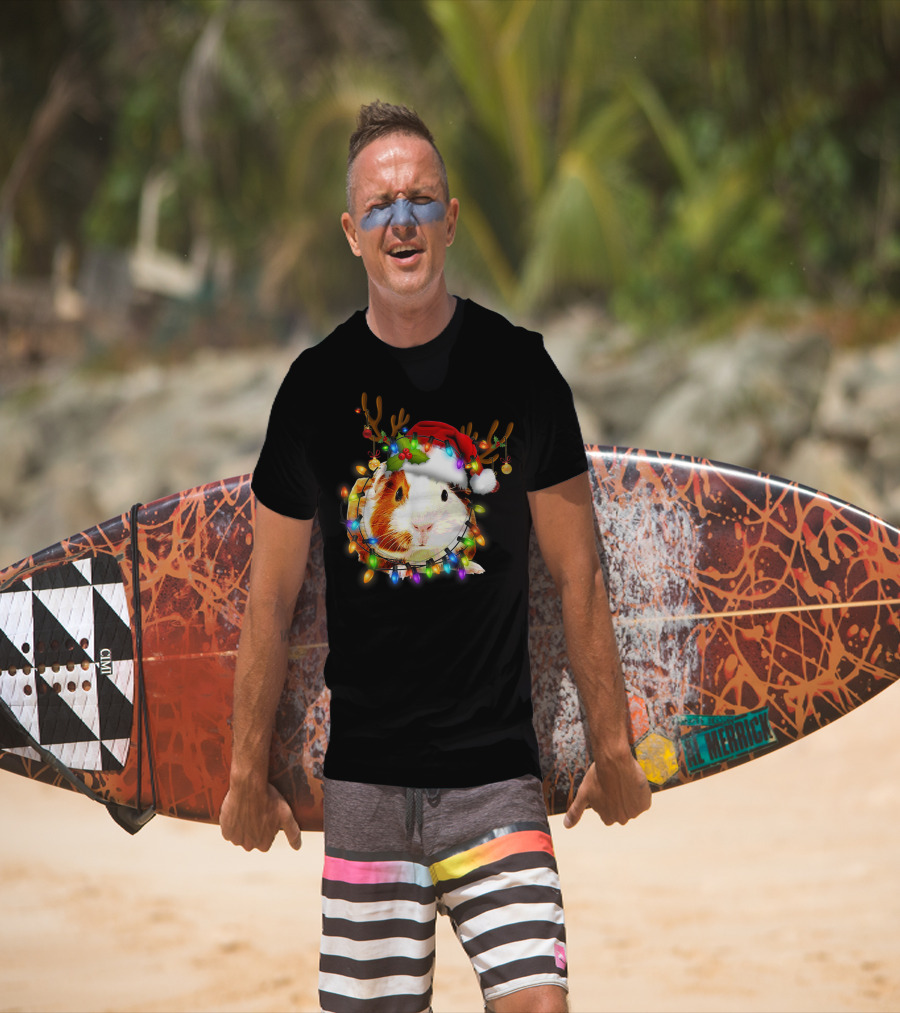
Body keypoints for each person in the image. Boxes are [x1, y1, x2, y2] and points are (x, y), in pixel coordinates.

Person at [220, 100, 651, 1013]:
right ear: (352, 233)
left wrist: (612, 745)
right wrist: (244, 772)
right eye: (380, 206)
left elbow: (579, 574)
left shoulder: (523, 372)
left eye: (420, 200)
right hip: (366, 788)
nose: (402, 221)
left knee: (540, 1004)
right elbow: (270, 600)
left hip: (496, 781)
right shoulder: (313, 390)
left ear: (450, 220)